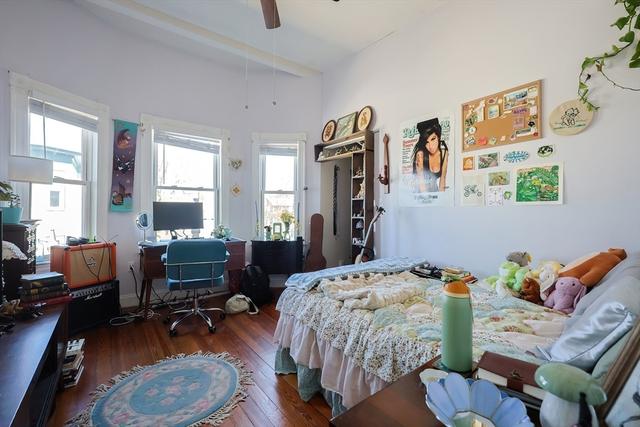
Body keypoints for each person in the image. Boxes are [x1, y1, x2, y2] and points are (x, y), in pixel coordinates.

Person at [411, 118, 449, 192]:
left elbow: (443, 179)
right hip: (421, 193)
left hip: (435, 192)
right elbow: (421, 183)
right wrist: (427, 198)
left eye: (433, 139)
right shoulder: (420, 154)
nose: (430, 146)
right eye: (426, 142)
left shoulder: (444, 153)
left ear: (438, 136)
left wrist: (442, 196)